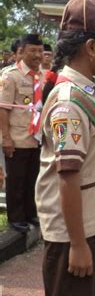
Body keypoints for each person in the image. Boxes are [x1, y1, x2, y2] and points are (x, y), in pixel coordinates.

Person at [35, 0, 95, 296]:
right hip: (77, 231)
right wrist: (77, 244)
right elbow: (68, 177)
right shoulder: (69, 103)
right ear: (90, 47)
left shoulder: (89, 91)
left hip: (92, 221)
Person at [0, 34, 44, 233]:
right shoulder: (11, 76)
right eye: (32, 50)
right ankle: (15, 218)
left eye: (40, 50)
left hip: (37, 139)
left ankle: (29, 214)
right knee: (16, 180)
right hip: (17, 138)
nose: (37, 55)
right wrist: (6, 138)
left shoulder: (42, 76)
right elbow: (3, 109)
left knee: (32, 179)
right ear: (22, 51)